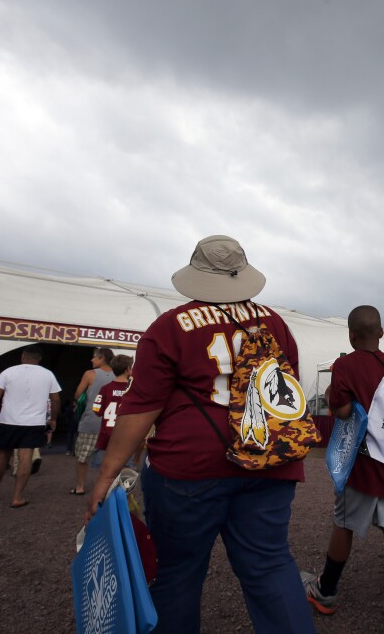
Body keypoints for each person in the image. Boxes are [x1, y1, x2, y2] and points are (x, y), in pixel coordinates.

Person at [85, 235, 315, 634]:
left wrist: (107, 475)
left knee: (177, 572)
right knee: (271, 563)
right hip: (267, 460)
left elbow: (141, 406)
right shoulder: (274, 323)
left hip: (188, 467)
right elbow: (286, 392)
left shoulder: (171, 325)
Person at [301, 305, 384, 633]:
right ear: (381, 333)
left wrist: (332, 394)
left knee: (344, 525)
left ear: (351, 335)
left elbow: (340, 411)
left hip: (363, 464)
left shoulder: (344, 365)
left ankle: (325, 592)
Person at [0, 347, 60, 508]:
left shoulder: (8, 372)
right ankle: (17, 497)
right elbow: (55, 399)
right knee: (25, 456)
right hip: (34, 422)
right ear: (39, 358)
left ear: (22, 357)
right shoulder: (48, 374)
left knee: (2, 455)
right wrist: (53, 418)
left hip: (9, 420)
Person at [71, 347, 115, 495]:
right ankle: (104, 488)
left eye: (95, 357)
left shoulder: (90, 374)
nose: (92, 359)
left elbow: (78, 394)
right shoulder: (119, 375)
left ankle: (80, 487)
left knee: (83, 457)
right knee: (109, 458)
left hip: (91, 420)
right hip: (111, 424)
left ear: (102, 358)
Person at [88, 354, 134, 476]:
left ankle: (105, 494)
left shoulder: (105, 389)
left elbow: (97, 411)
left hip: (106, 436)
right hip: (127, 437)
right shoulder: (133, 390)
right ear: (128, 369)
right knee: (125, 471)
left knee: (105, 471)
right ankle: (123, 494)